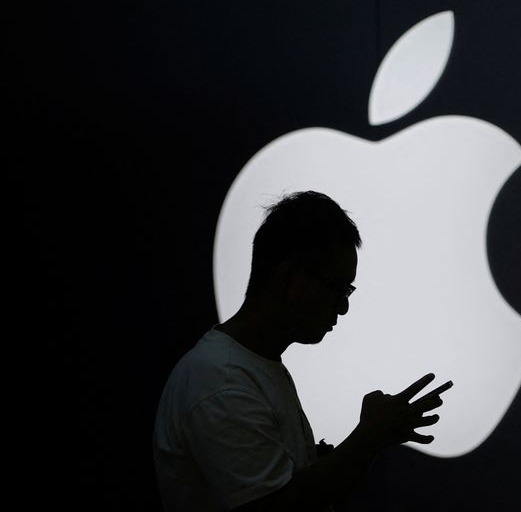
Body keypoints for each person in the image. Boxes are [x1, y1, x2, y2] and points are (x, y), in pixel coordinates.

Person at [153, 190, 451, 512]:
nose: (344, 307)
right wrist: (367, 439)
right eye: (337, 288)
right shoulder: (220, 382)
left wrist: (353, 450)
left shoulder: (253, 367)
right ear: (289, 279)